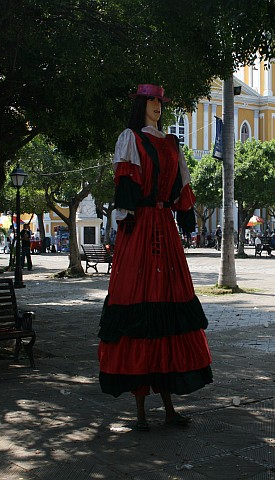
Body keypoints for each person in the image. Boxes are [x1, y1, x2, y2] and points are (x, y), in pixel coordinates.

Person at [97, 84, 213, 432]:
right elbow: (126, 186)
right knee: (140, 310)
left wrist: (187, 218)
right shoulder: (130, 138)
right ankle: (141, 412)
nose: (157, 107)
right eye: (151, 101)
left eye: (160, 102)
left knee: (167, 316)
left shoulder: (172, 144)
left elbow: (180, 187)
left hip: (164, 228)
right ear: (141, 106)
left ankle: (168, 407)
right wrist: (126, 220)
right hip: (141, 230)